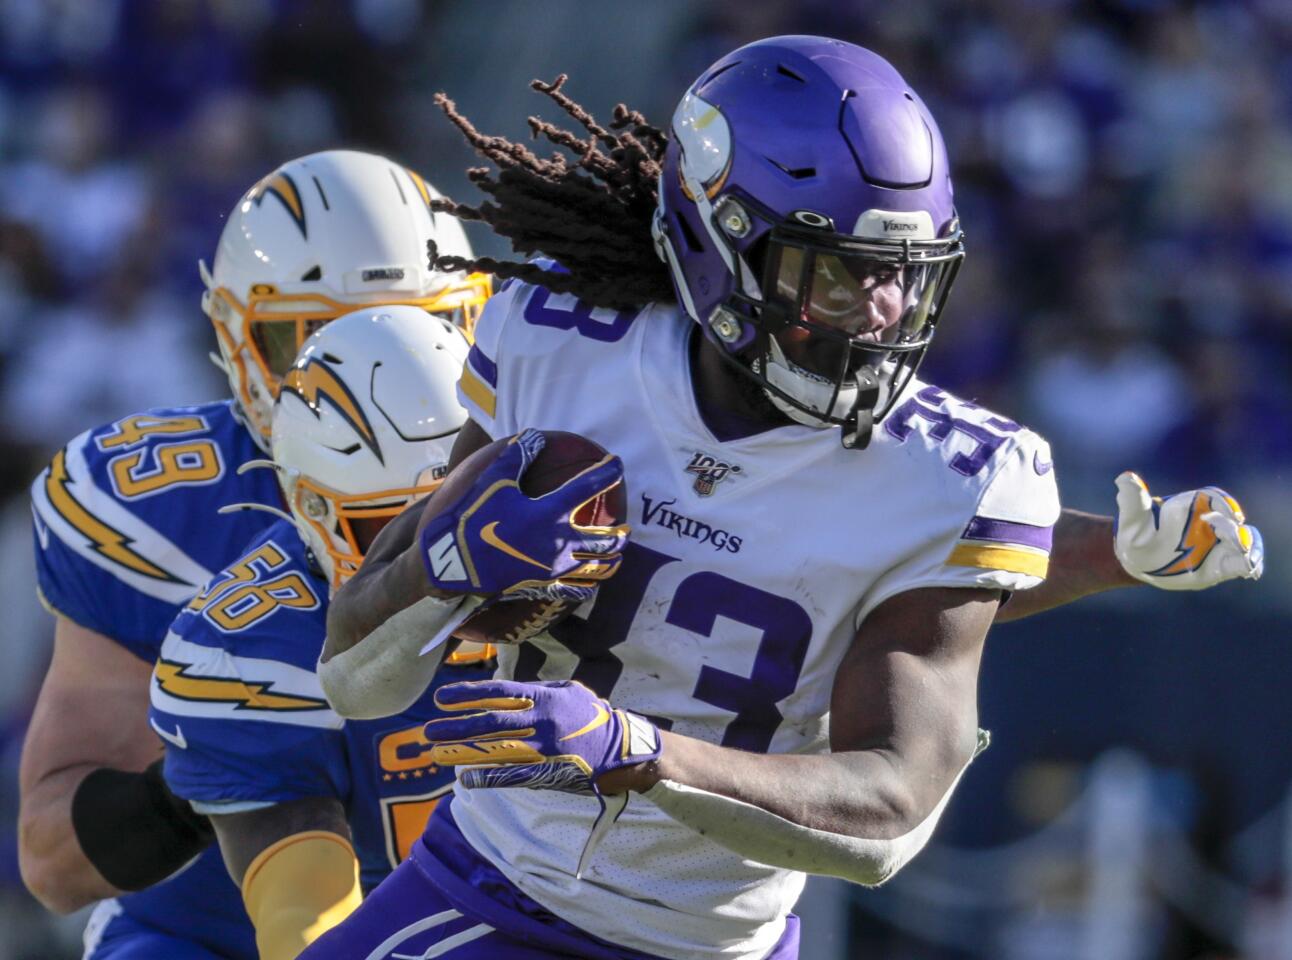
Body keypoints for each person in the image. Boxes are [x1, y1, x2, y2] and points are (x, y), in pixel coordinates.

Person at [302, 37, 1264, 960]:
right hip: (485, 885)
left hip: (707, 943)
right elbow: (355, 675)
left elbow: (889, 811)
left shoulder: (953, 478)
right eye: (841, 272)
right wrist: (441, 572)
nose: (884, 311)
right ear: (721, 244)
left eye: (903, 275)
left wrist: (642, 752)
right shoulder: (563, 340)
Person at [21, 150, 490, 959]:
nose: (369, 379)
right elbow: (54, 861)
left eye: (425, 326)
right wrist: (219, 760)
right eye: (311, 338)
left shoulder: (555, 481)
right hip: (213, 939)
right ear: (237, 339)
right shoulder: (155, 510)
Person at [148, 306, 495, 960]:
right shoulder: (256, 647)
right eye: (394, 527)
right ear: (315, 513)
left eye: (463, 512)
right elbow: (306, 922)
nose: (442, 561)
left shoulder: (592, 545)